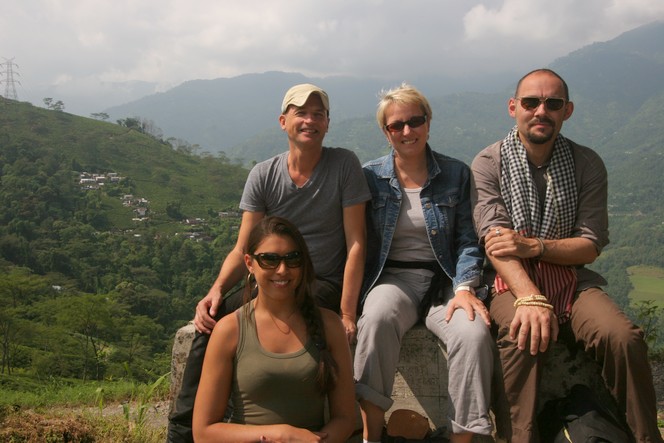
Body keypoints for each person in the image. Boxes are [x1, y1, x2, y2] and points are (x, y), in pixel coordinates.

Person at [168, 83, 371, 442]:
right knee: (209, 324)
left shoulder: (343, 165)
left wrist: (347, 312)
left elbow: (356, 242)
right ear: (283, 121)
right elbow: (243, 247)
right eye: (301, 113)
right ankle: (182, 433)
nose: (310, 120)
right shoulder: (264, 174)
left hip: (319, 280)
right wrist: (215, 291)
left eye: (318, 114)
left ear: (327, 123)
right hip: (270, 275)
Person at [470, 68, 662, 443]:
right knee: (520, 331)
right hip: (510, 279)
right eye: (531, 102)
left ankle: (644, 437)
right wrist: (530, 296)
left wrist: (534, 246)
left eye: (552, 103)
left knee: (622, 337)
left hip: (573, 279)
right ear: (513, 107)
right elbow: (495, 243)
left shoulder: (585, 163)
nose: (541, 111)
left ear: (567, 110)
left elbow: (589, 245)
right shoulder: (489, 163)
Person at [354, 83, 495, 443]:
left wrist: (465, 288)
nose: (406, 131)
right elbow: (357, 241)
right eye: (396, 125)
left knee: (473, 332)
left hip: (444, 280)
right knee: (377, 320)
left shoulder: (455, 174)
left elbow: (468, 239)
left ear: (428, 122)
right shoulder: (371, 177)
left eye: (415, 121)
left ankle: (463, 437)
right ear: (385, 132)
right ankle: (371, 435)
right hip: (394, 279)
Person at [192, 216, 356, 442]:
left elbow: (346, 418)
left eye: (292, 259)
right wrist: (281, 435)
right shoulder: (230, 330)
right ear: (249, 263)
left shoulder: (329, 325)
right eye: (269, 260)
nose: (282, 270)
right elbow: (204, 432)